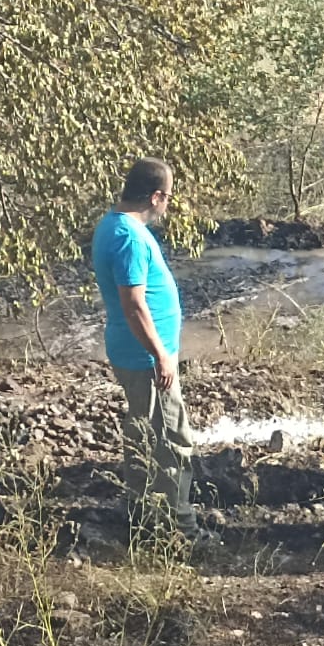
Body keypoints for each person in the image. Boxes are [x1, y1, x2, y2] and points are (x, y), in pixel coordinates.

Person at [91, 158, 203, 538]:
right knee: (172, 441)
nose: (167, 205)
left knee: (143, 433)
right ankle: (179, 530)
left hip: (136, 353)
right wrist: (161, 353)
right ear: (155, 196)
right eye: (167, 198)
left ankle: (140, 516)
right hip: (145, 358)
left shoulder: (113, 225)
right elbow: (134, 304)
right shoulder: (128, 237)